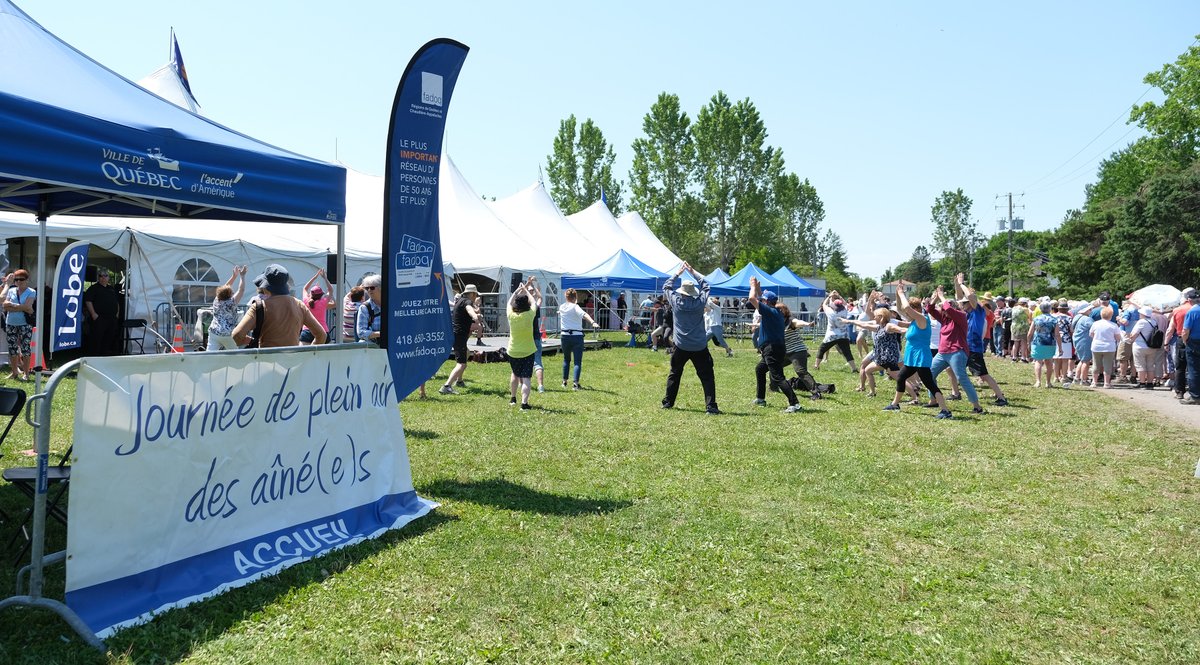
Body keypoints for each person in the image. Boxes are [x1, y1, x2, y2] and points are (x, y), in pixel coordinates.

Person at [883, 286, 951, 419]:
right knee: (901, 378)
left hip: (921, 357)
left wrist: (902, 293)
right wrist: (897, 294)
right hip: (911, 357)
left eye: (909, 313)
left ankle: (945, 410)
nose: (906, 315)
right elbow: (901, 308)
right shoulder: (913, 321)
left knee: (929, 384)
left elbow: (906, 308)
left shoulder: (922, 319)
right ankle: (895, 404)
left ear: (916, 310)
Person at [661, 263, 721, 415]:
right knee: (707, 376)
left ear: (681, 292)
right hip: (699, 345)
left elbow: (666, 287)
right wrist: (693, 272)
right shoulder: (700, 301)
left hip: (680, 345)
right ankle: (711, 406)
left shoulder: (675, 301)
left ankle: (668, 402)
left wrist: (677, 274)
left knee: (675, 373)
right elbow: (706, 286)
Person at [927, 278, 987, 414]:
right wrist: (935, 298)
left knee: (961, 377)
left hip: (957, 352)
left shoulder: (961, 316)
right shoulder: (944, 318)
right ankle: (933, 400)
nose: (942, 311)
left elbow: (948, 308)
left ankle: (977, 406)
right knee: (929, 374)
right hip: (943, 352)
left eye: (944, 308)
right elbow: (930, 309)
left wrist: (942, 297)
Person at [233, 264, 326, 348]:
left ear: (265, 287)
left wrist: (253, 342)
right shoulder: (300, 305)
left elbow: (237, 335)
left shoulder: (259, 306)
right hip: (292, 363)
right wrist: (308, 354)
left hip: (266, 361)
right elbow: (321, 335)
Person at [749, 277, 802, 413]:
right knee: (760, 370)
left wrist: (753, 286)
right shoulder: (776, 311)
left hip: (771, 349)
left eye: (763, 300)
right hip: (776, 348)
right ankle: (760, 398)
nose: (762, 301)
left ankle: (795, 404)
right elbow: (762, 298)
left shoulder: (769, 311)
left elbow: (752, 298)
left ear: (767, 302)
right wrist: (759, 289)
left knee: (778, 377)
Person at [956, 277, 1008, 407]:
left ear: (970, 303)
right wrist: (957, 284)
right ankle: (955, 393)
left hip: (974, 348)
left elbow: (971, 297)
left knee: (983, 375)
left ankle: (1001, 397)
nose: (962, 305)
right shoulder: (967, 313)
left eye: (964, 303)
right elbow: (959, 297)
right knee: (951, 369)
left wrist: (962, 284)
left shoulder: (978, 311)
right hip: (966, 347)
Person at [440, 284, 483, 395]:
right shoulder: (467, 302)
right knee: (461, 363)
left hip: (456, 334)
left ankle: (459, 381)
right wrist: (475, 317)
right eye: (475, 295)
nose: (475, 297)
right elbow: (470, 310)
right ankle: (446, 386)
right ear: (472, 294)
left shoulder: (460, 301)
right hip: (459, 335)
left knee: (467, 353)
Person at [558, 286, 599, 390]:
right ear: (575, 297)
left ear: (566, 297)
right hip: (577, 336)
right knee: (577, 361)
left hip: (565, 336)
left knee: (566, 359)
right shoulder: (575, 306)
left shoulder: (562, 307)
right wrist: (593, 322)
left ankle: (564, 382)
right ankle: (575, 384)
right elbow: (584, 314)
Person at [506, 280, 537, 410]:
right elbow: (534, 302)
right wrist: (526, 290)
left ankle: (513, 399)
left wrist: (516, 291)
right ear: (527, 304)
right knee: (526, 378)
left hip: (513, 350)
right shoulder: (530, 315)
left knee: (515, 374)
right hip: (528, 351)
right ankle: (524, 403)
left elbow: (509, 302)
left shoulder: (511, 315)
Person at [3, 269, 35, 380]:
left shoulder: (31, 292)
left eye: (21, 279)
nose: (18, 282)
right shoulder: (11, 290)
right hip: (10, 323)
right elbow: (5, 306)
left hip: (25, 324)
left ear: (27, 280)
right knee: (12, 349)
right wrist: (21, 307)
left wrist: (11, 305)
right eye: (16, 279)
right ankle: (15, 372)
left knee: (25, 349)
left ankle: (26, 374)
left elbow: (28, 306)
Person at [207, 265, 248, 351]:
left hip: (214, 332)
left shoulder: (216, 300)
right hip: (228, 334)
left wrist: (234, 276)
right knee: (234, 356)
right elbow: (241, 290)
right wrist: (242, 276)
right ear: (230, 295)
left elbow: (224, 288)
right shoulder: (231, 303)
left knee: (209, 355)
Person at [814, 291, 857, 372]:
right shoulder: (844, 310)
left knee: (822, 349)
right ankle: (854, 368)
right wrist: (839, 295)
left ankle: (816, 366)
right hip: (844, 335)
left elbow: (824, 304)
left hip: (832, 335)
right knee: (847, 352)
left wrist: (830, 296)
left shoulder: (830, 311)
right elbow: (845, 303)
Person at [83, 267, 121, 356]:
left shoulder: (111, 288)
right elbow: (88, 301)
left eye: (105, 276)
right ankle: (95, 356)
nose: (103, 278)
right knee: (97, 338)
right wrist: (93, 314)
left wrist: (117, 313)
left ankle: (104, 355)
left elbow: (117, 302)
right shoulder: (93, 288)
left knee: (109, 337)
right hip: (99, 318)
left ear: (108, 277)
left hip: (111, 318)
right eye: (101, 276)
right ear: (98, 277)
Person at [1167, 288, 1196, 398]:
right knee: (1194, 366)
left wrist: (1166, 342)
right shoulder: (1196, 309)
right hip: (1196, 338)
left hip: (1181, 338)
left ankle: (1179, 391)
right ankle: (1194, 391)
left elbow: (1171, 328)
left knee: (1180, 367)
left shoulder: (1177, 310)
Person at [1129, 305, 1162, 390]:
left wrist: (1129, 338)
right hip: (1151, 346)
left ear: (1143, 314)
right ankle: (1150, 383)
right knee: (1150, 365)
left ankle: (1142, 383)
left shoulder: (1141, 322)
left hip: (1140, 346)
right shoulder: (1154, 322)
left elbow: (1134, 334)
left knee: (1140, 365)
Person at [1089, 306, 1122, 388]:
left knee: (1096, 364)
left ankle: (1094, 382)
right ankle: (1107, 383)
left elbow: (1091, 334)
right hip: (1109, 347)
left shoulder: (1095, 324)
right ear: (1111, 315)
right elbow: (1118, 338)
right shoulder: (1114, 325)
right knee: (1108, 365)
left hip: (1096, 346)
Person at [1028, 301, 1058, 388]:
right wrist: (1060, 347)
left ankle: (1038, 381)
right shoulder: (1054, 320)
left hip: (1038, 343)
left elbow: (1030, 333)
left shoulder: (1036, 319)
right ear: (1050, 309)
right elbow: (1057, 334)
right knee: (1049, 362)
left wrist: (1028, 342)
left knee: (1038, 361)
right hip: (1050, 343)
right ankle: (1048, 382)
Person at [299, 268, 332, 345]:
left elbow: (305, 288)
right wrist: (325, 278)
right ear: (321, 295)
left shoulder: (306, 301)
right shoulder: (323, 302)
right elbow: (330, 290)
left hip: (307, 331)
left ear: (311, 294)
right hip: (323, 331)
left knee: (303, 355)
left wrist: (315, 277)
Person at [1181, 290, 1200, 404]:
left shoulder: (1192, 312)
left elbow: (1185, 330)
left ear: (1189, 300)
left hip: (1194, 341)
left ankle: (1195, 396)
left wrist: (1185, 341)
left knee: (1193, 369)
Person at [529, 277, 546, 393]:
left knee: (523, 362)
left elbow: (516, 296)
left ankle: (522, 383)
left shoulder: (520, 307)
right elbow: (540, 297)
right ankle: (540, 386)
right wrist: (534, 286)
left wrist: (528, 285)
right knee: (537, 361)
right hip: (535, 337)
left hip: (524, 338)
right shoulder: (535, 307)